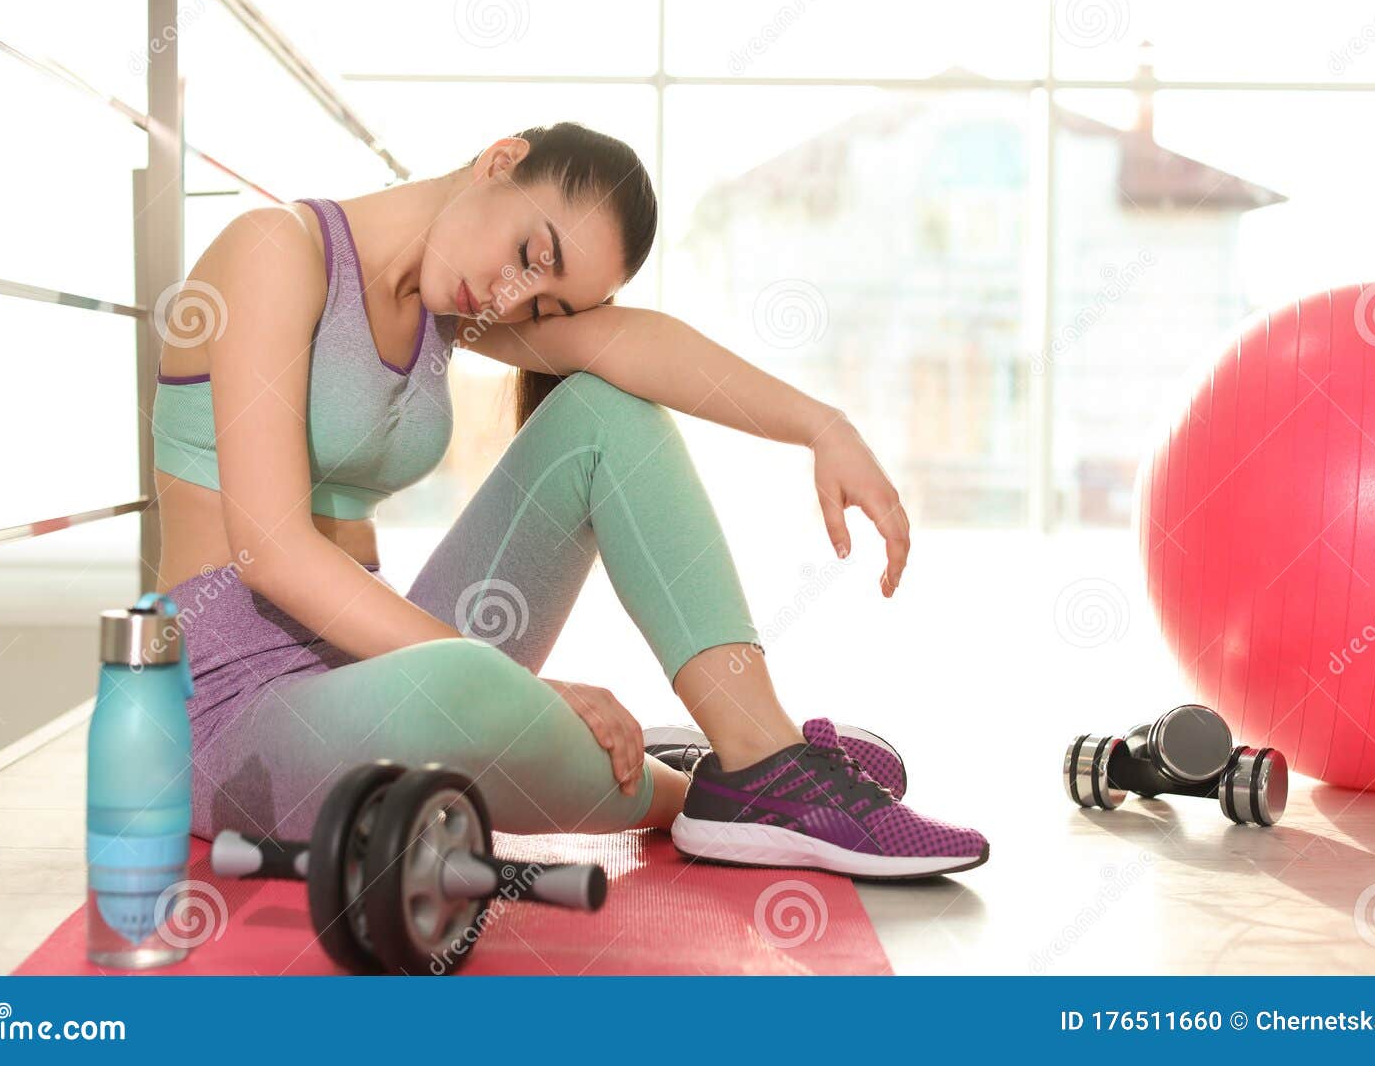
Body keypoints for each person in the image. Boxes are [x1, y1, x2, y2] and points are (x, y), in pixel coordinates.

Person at [151, 121, 987, 878]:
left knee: (602, 410)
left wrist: (822, 426)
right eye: (532, 253)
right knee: (466, 693)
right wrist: (531, 694)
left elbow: (633, 346)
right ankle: (695, 791)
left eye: (544, 300)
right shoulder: (275, 249)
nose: (515, 297)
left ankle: (757, 751)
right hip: (235, 718)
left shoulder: (448, 311)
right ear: (500, 160)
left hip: (382, 671)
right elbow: (272, 551)